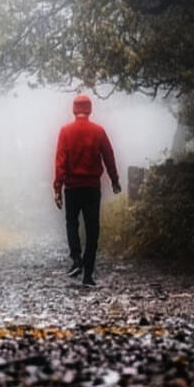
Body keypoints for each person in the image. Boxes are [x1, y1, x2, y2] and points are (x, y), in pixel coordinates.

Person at [53, 94, 121, 287]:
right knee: (92, 230)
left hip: (72, 188)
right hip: (92, 188)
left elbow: (60, 161)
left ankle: (76, 259)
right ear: (90, 109)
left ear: (74, 109)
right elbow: (109, 156)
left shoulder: (65, 131)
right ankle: (88, 275)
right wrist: (114, 180)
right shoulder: (98, 131)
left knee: (71, 223)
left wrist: (57, 188)